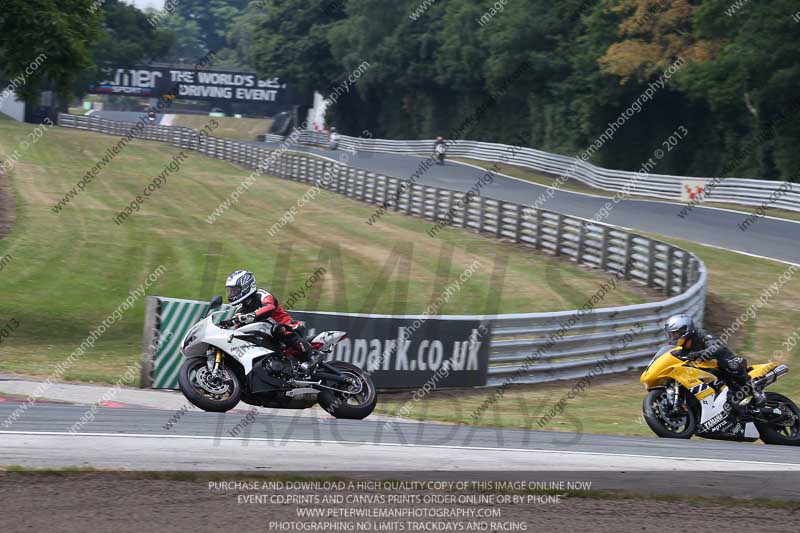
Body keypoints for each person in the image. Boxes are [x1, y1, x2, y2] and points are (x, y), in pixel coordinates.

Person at [664, 314, 766, 408]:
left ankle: (755, 390)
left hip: (725, 363)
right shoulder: (682, 347)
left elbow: (716, 348)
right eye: (671, 335)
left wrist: (695, 355)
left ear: (685, 331)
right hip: (709, 373)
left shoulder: (701, 334)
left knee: (730, 364)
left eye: (675, 334)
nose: (672, 338)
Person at [223, 270, 312, 363]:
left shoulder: (262, 295)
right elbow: (237, 330)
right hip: (269, 339)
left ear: (246, 287)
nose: (232, 294)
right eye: (231, 291)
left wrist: (251, 315)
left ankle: (307, 353)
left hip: (288, 327)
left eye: (235, 290)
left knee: (277, 329)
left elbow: (270, 306)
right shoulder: (240, 309)